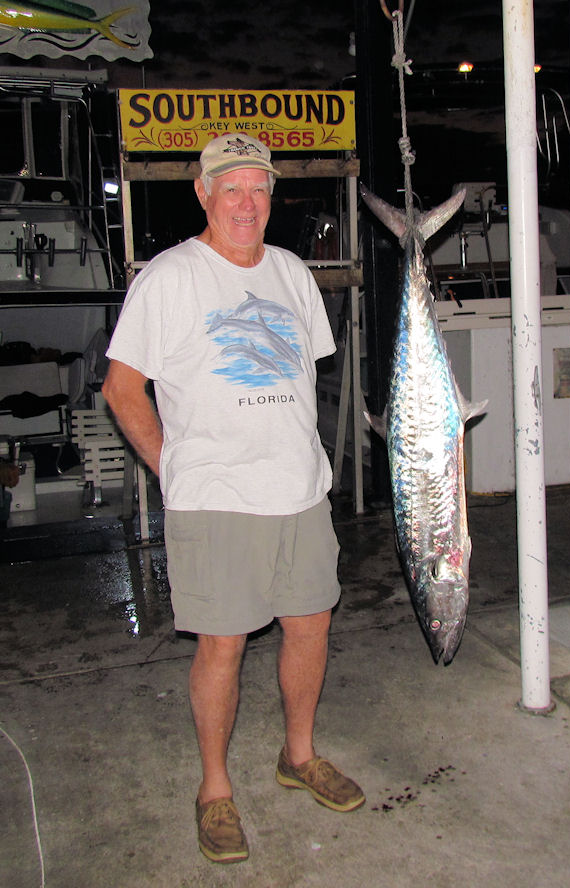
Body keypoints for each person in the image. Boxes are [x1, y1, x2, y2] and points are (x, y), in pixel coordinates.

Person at [102, 133, 364, 864]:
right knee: (223, 646)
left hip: (301, 491)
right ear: (204, 193)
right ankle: (214, 790)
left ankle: (299, 754)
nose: (246, 203)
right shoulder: (171, 276)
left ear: (272, 197)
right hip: (215, 498)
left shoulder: (292, 273)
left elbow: (301, 377)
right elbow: (122, 390)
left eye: (258, 188)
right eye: (231, 187)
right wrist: (172, 469)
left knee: (311, 626)